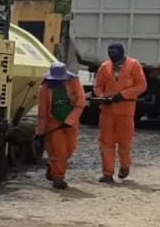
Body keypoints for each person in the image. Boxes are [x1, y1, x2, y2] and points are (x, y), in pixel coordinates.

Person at [94, 42, 148, 184]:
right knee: (106, 142)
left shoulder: (133, 65)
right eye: (110, 52)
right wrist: (103, 96)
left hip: (126, 110)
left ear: (122, 53)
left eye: (114, 52)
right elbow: (98, 86)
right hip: (107, 110)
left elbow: (141, 85)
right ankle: (107, 173)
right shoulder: (104, 67)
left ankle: (125, 166)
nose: (112, 55)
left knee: (124, 141)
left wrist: (124, 95)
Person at [36, 62, 87, 190]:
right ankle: (58, 178)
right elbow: (42, 112)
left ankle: (51, 165)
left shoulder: (74, 83)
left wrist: (69, 121)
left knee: (70, 149)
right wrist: (40, 131)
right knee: (59, 152)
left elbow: (80, 103)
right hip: (54, 124)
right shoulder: (44, 89)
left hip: (70, 123)